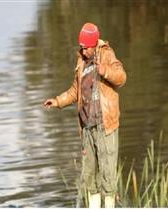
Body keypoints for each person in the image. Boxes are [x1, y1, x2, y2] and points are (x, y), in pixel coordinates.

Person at [44, 22, 126, 208]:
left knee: (107, 174)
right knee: (89, 176)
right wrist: (57, 101)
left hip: (106, 125)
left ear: (93, 43)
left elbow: (121, 77)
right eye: (81, 47)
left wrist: (105, 71)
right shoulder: (81, 61)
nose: (82, 50)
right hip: (87, 127)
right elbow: (75, 91)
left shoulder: (106, 54)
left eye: (85, 47)